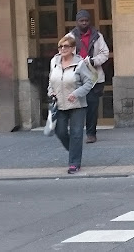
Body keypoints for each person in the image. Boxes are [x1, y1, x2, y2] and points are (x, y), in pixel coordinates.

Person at [47, 34, 95, 174]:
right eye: (60, 46)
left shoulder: (80, 64)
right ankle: (74, 151)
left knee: (76, 134)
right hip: (59, 104)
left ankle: (74, 163)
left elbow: (89, 82)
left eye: (66, 46)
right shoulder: (54, 62)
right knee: (60, 131)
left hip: (77, 105)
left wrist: (77, 93)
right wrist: (51, 92)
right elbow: (51, 81)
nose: (62, 49)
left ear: (73, 48)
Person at [69, 9, 110, 144]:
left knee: (92, 106)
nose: (84, 23)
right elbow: (65, 54)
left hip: (94, 76)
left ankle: (91, 133)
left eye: (86, 20)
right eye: (81, 21)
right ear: (77, 22)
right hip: (77, 77)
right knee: (78, 106)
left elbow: (105, 53)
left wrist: (93, 61)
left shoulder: (97, 36)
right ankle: (77, 132)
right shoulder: (70, 37)